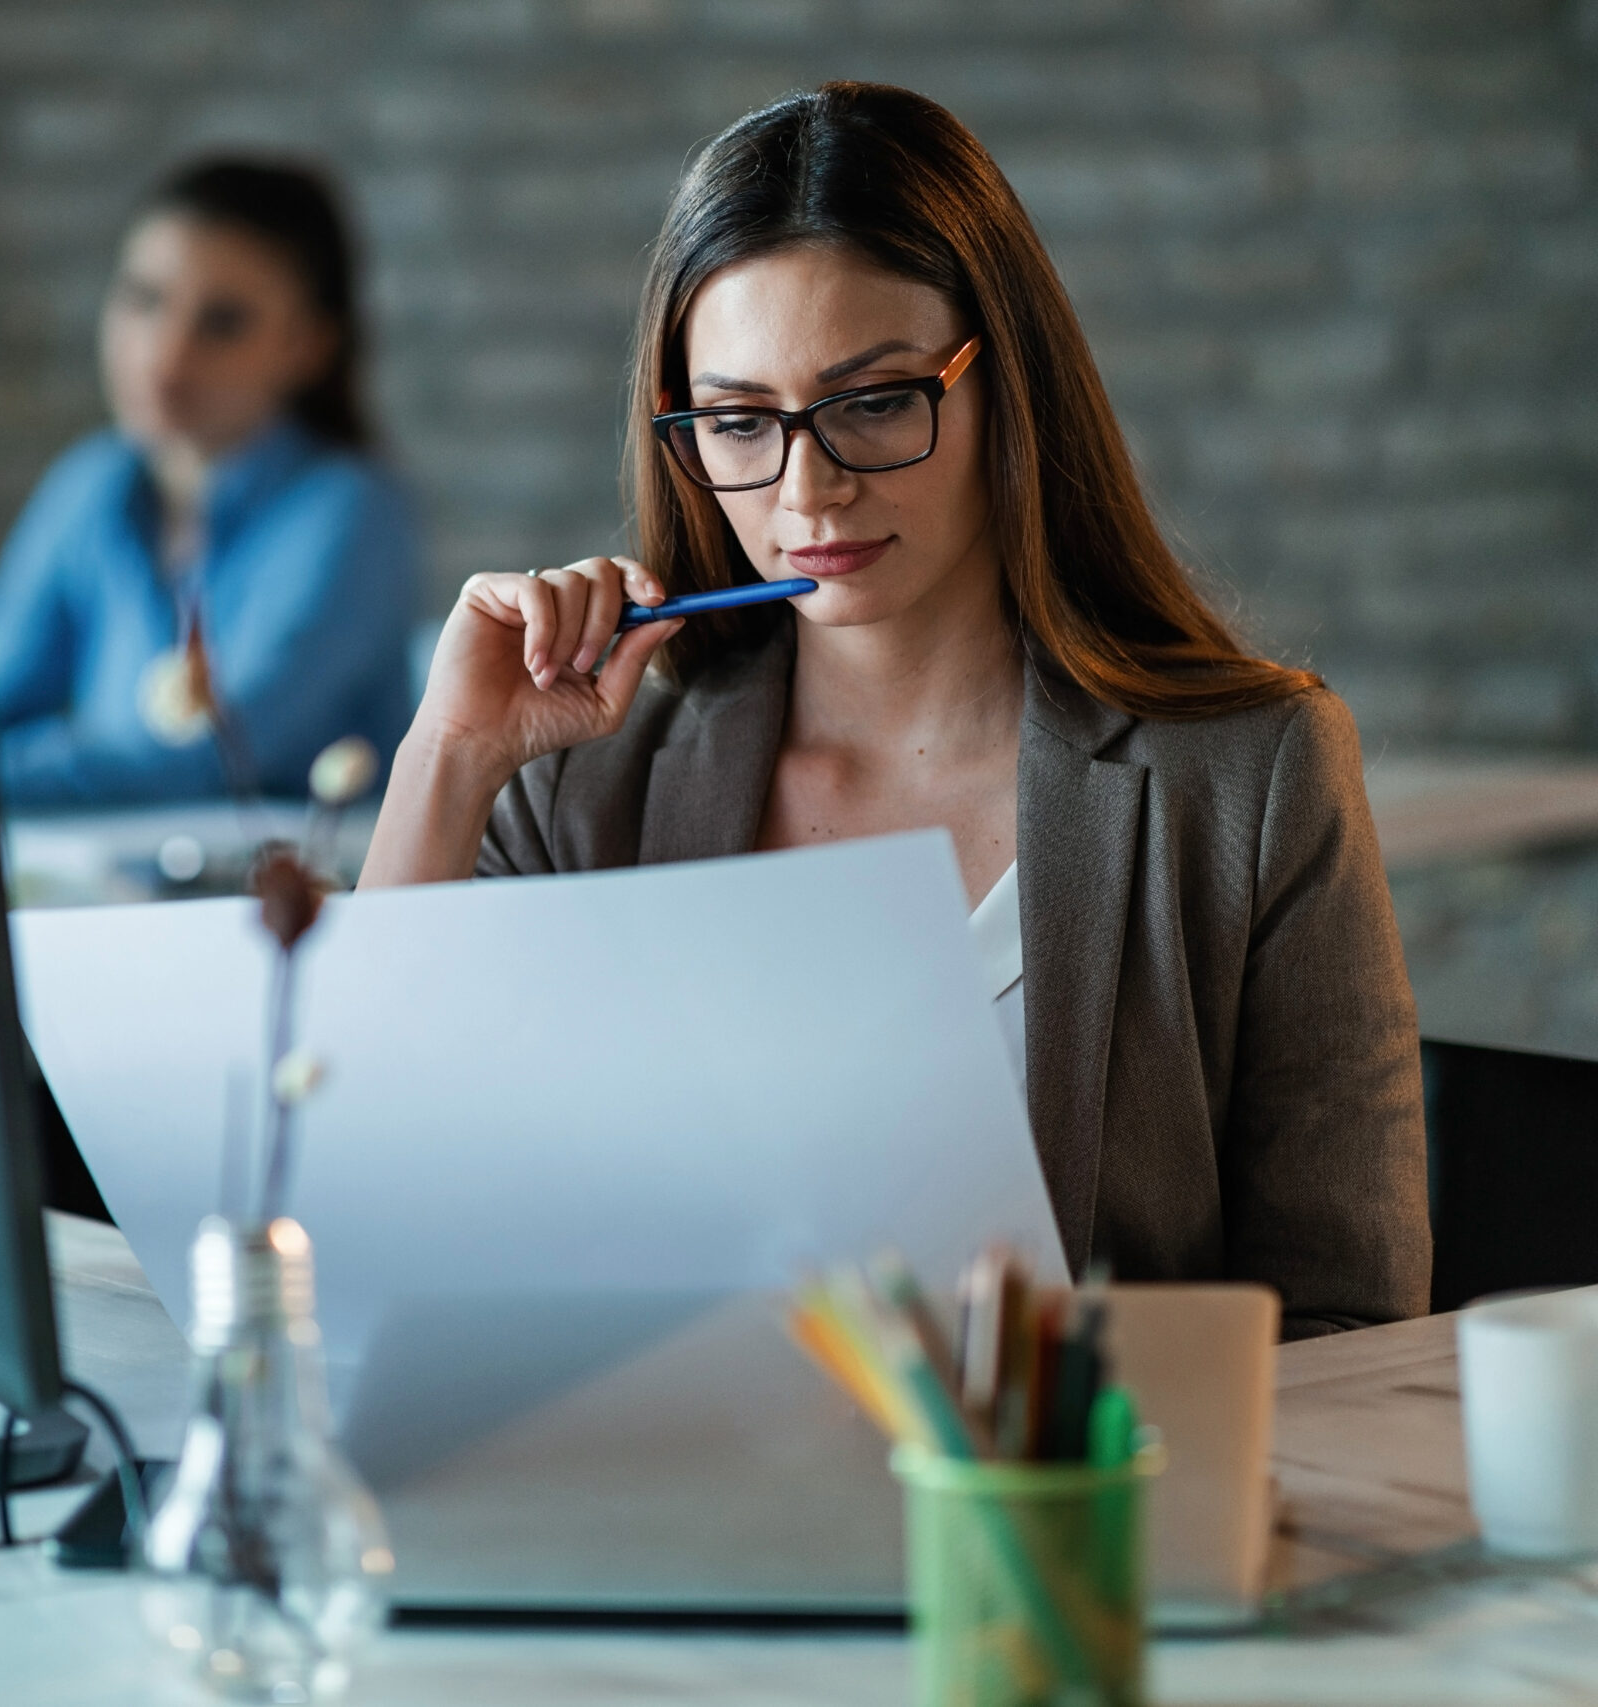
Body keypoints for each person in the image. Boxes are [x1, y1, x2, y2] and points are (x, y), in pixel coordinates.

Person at [361, 84, 1429, 1338]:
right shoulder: (584, 783)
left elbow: (1350, 1320)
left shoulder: (1253, 777)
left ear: (1004, 386)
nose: (807, 491)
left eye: (873, 403)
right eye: (738, 421)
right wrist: (448, 756)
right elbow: (366, 1201)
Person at [0, 158, 419, 806]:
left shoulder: (351, 512)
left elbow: (216, 753)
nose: (164, 355)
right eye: (143, 300)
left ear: (309, 346)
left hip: (302, 868)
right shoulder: (91, 484)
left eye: (222, 323)